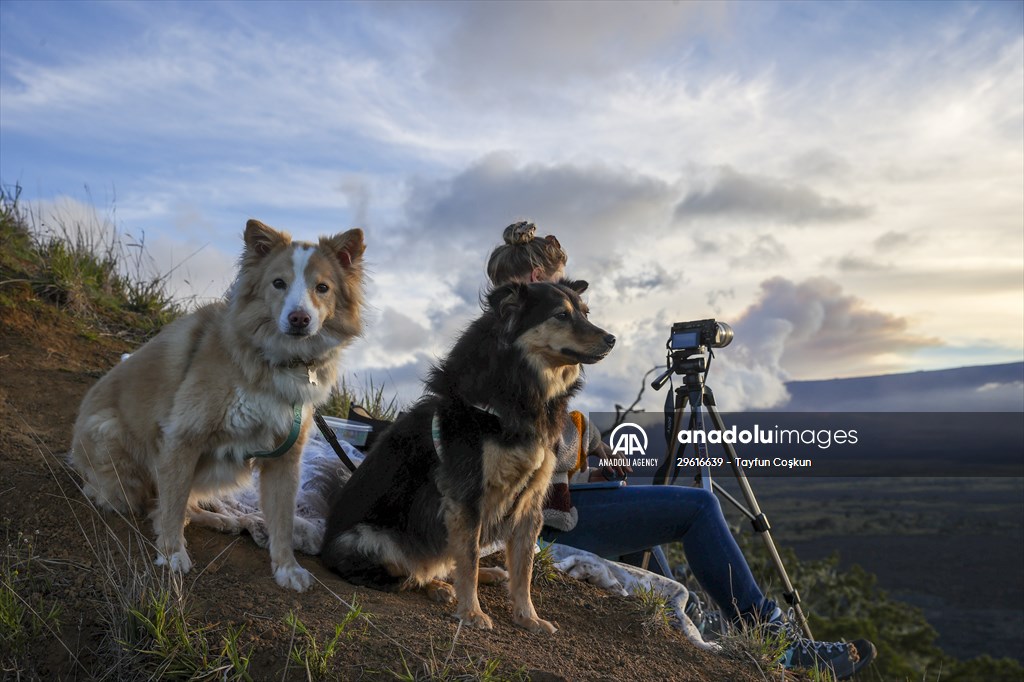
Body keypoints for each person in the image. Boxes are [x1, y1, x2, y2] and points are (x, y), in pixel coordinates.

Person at [486, 221, 877, 680]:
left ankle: (689, 623)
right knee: (697, 506)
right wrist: (588, 455)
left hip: (540, 511)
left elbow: (552, 426)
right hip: (539, 524)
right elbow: (531, 443)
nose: (571, 302)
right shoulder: (518, 346)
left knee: (650, 515)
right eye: (563, 289)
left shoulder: (497, 337)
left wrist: (594, 447)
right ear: (537, 279)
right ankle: (777, 642)